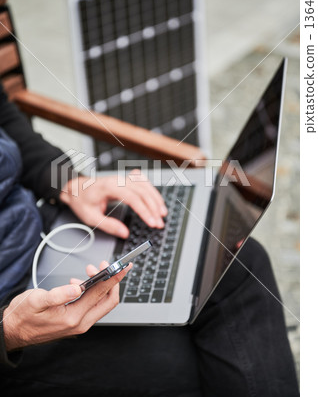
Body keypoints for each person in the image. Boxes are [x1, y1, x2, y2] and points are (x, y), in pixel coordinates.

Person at [0, 84, 299, 396]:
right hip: (12, 325)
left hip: (45, 233)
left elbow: (5, 118)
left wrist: (70, 182)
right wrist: (10, 332)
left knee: (236, 259)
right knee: (185, 364)